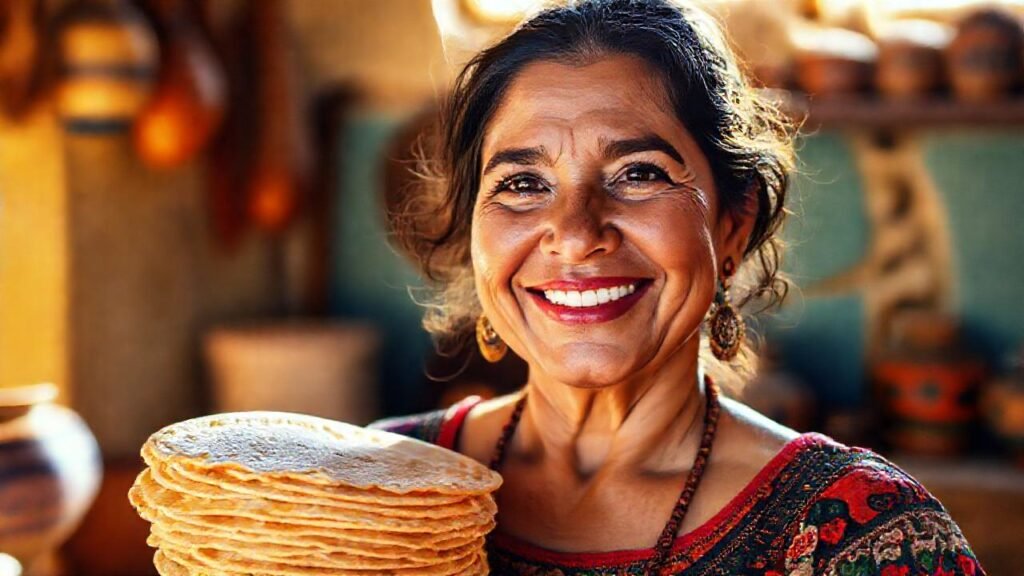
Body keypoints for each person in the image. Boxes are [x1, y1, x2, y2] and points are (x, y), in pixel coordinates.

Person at [371, 0, 985, 573]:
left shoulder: (861, 540)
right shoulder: (370, 485)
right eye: (523, 184)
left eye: (638, 173)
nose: (577, 234)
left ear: (732, 225)